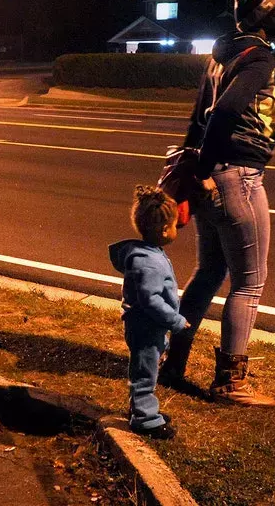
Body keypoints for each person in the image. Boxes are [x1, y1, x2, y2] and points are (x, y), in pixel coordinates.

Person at [158, 0, 275, 408]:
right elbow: (223, 114)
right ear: (263, 10)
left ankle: (170, 362)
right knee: (249, 282)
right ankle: (231, 382)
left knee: (208, 272)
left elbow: (196, 119)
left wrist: (195, 175)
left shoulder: (222, 56)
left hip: (214, 176)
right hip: (238, 177)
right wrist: (208, 174)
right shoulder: (258, 58)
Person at [110, 186, 189, 439]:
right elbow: (150, 300)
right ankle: (145, 419)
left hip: (148, 325)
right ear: (165, 230)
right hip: (145, 325)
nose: (177, 229)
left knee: (146, 367)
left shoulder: (149, 254)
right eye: (176, 225)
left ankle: (140, 410)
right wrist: (175, 320)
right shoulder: (149, 262)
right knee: (145, 373)